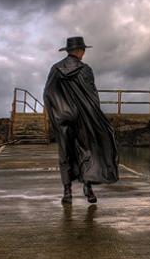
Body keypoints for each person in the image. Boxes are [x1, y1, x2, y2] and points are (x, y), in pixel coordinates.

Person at [43, 36, 119, 204]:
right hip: (84, 118)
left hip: (63, 118)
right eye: (83, 50)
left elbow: (48, 94)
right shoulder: (85, 70)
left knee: (65, 153)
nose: (84, 53)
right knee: (87, 151)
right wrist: (96, 118)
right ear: (79, 51)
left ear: (68, 51)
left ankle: (67, 192)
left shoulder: (55, 69)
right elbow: (92, 97)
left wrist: (59, 113)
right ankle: (88, 189)